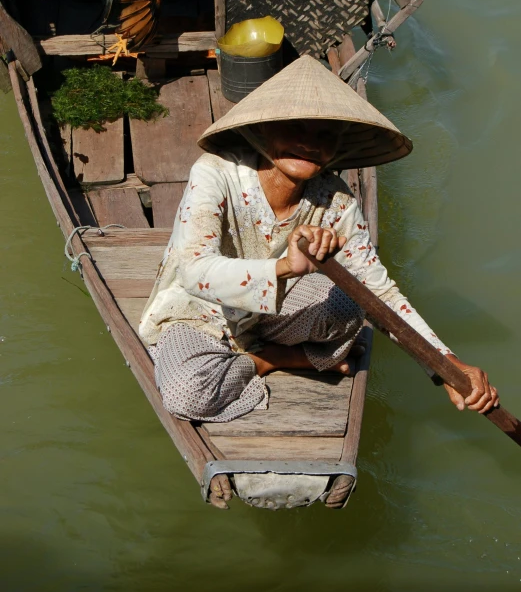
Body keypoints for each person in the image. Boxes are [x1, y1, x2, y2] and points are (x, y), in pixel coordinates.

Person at [139, 56, 498, 503]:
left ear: (338, 148)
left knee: (351, 304)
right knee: (184, 393)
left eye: (325, 135)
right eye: (298, 130)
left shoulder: (337, 202)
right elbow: (194, 270)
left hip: (272, 314)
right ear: (264, 130)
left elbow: (378, 293)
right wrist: (285, 267)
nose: (311, 144)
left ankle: (271, 352)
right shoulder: (215, 173)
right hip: (199, 314)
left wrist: (444, 365)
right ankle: (279, 360)